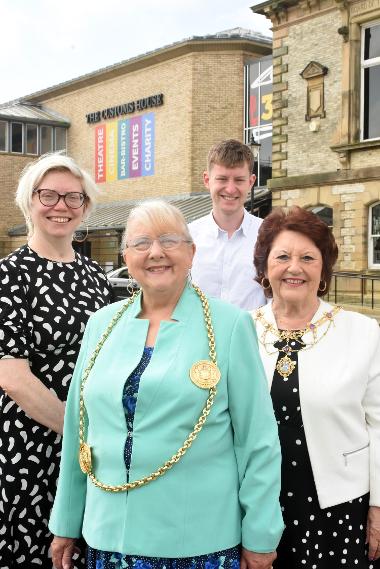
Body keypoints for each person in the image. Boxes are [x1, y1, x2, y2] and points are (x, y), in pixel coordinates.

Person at [49, 200, 284, 569]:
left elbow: (257, 441)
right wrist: (65, 521)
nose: (155, 252)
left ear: (191, 253)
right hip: (107, 538)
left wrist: (261, 535)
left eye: (169, 240)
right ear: (126, 255)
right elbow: (79, 430)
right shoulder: (100, 324)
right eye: (141, 243)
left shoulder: (231, 325)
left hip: (197, 544)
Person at [0, 153, 113, 569]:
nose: (60, 206)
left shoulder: (96, 277)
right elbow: (11, 376)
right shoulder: (10, 275)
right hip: (33, 443)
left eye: (72, 197)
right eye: (48, 195)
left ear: (85, 207)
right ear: (29, 201)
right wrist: (75, 428)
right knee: (37, 549)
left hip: (91, 442)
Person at [251, 206, 380, 568]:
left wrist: (379, 506)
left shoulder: (362, 331)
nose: (295, 267)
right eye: (282, 257)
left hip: (338, 508)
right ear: (264, 268)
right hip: (256, 507)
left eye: (308, 257)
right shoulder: (239, 330)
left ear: (323, 268)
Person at [189, 139, 265, 310]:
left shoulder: (269, 235)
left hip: (252, 336)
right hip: (200, 336)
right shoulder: (187, 237)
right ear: (207, 180)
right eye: (222, 179)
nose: (230, 189)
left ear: (251, 182)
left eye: (239, 180)